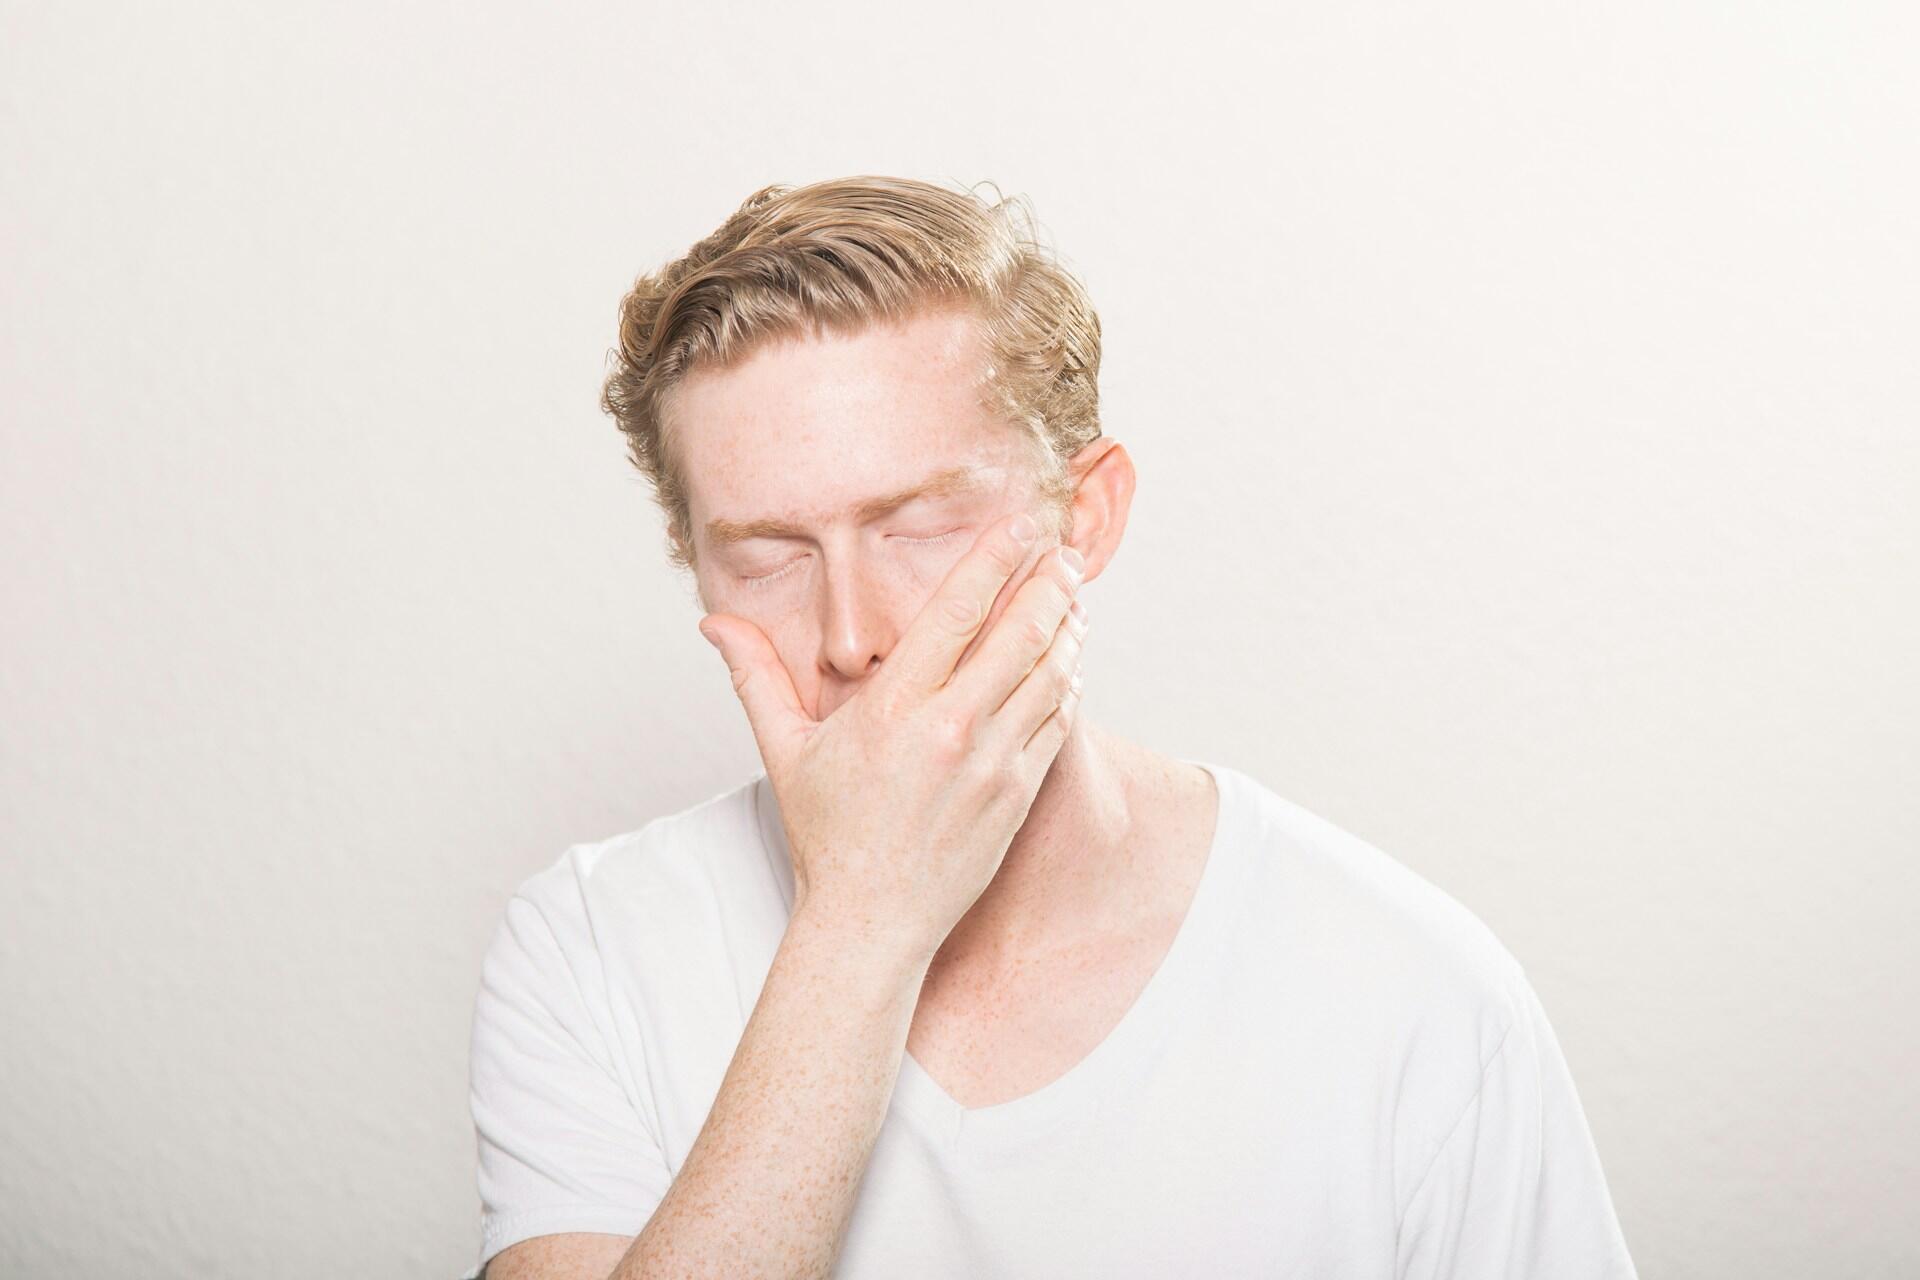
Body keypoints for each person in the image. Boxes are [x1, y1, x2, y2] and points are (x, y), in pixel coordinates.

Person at [466, 175, 1638, 1279]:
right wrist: (863, 916)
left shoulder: (1419, 995)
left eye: (917, 522)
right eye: (766, 553)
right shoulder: (590, 950)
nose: (851, 635)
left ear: (1086, 515)